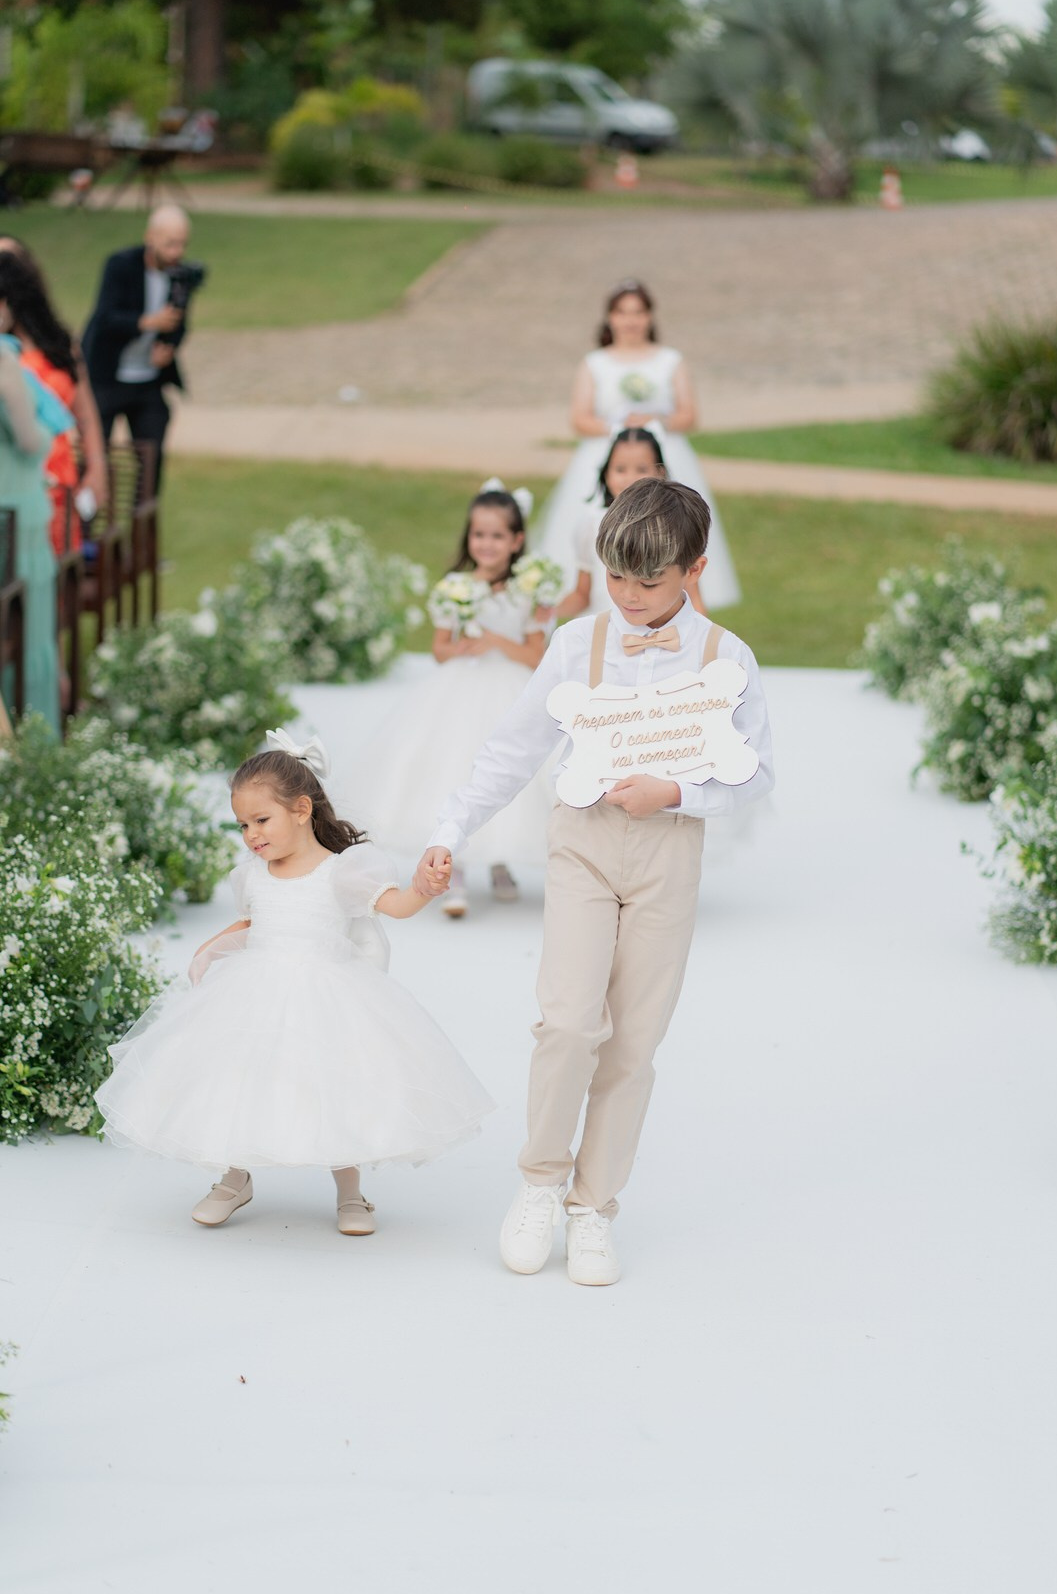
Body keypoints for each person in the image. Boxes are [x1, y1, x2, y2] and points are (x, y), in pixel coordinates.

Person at [416, 479, 774, 1286]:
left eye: (648, 581)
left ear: (693, 570)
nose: (628, 596)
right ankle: (539, 1183)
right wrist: (450, 830)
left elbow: (755, 772)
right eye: (614, 577)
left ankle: (592, 1206)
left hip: (668, 852)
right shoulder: (578, 643)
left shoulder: (726, 658)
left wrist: (675, 792)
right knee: (569, 1024)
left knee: (634, 1042)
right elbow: (513, 747)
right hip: (581, 843)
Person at [95, 731, 493, 1235]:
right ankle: (234, 1177)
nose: (251, 835)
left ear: (302, 809)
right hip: (253, 993)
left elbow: (395, 906)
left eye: (262, 820)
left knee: (338, 1086)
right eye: (243, 824)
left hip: (327, 996)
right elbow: (253, 923)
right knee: (235, 1079)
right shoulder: (253, 875)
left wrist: (423, 889)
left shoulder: (342, 871)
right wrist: (212, 946)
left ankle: (351, 1192)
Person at [353, 480, 558, 919]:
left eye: (497, 535)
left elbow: (536, 655)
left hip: (511, 686)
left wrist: (494, 640)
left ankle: (500, 863)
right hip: (462, 687)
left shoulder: (530, 590)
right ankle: (455, 869)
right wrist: (462, 648)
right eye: (479, 534)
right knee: (457, 765)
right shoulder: (455, 586)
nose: (486, 543)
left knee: (509, 768)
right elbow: (439, 649)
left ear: (517, 540)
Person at [534, 280, 740, 614]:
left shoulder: (670, 360)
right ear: (610, 317)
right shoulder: (595, 363)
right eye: (622, 312)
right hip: (610, 448)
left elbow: (689, 415)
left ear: (649, 316)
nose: (630, 320)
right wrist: (618, 426)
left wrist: (656, 421)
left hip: (659, 449)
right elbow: (579, 418)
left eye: (638, 312)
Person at [0, 240, 108, 554]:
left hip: (61, 477)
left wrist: (97, 466)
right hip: (17, 479)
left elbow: (86, 415)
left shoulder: (58, 343)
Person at [80, 203, 192, 489]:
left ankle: (144, 513)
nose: (177, 252)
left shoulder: (181, 275)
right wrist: (148, 322)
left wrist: (168, 349)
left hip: (148, 380)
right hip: (108, 376)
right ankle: (88, 511)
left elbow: (181, 324)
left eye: (182, 244)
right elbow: (105, 318)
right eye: (170, 244)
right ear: (150, 237)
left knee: (151, 461)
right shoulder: (121, 265)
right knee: (93, 456)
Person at [0, 331, 72, 732]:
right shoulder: (4, 360)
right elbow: (28, 440)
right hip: (15, 513)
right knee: (29, 634)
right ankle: (31, 742)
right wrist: (45, 436)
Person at [554, 425, 669, 620]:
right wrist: (546, 613)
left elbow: (692, 597)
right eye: (620, 469)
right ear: (606, 473)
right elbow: (582, 594)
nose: (630, 479)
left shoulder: (670, 525)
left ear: (660, 473)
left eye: (641, 469)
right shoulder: (591, 525)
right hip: (604, 629)